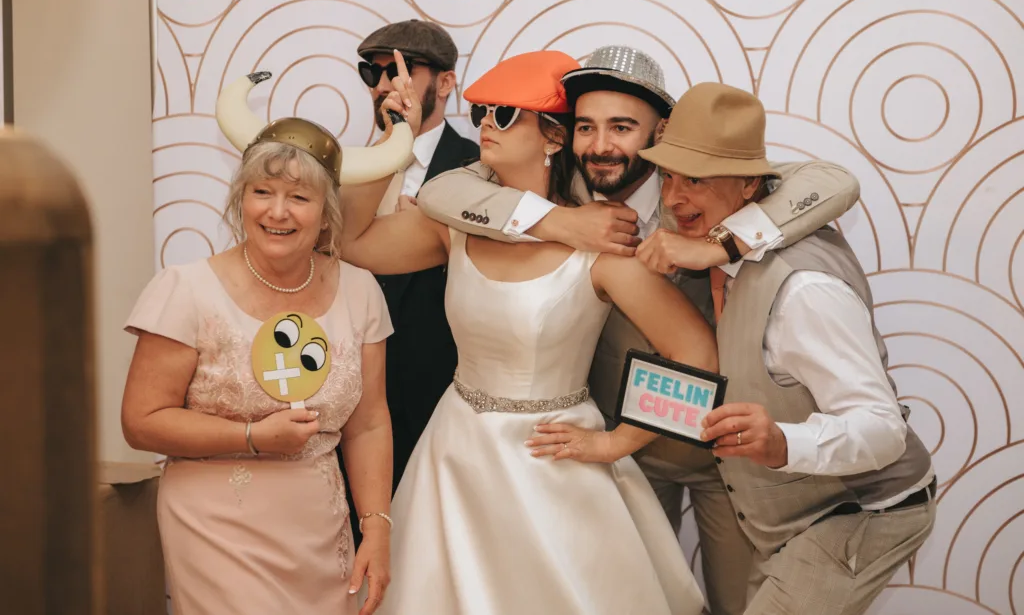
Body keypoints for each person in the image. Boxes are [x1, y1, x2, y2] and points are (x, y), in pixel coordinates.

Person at [416, 45, 860, 614]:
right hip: (627, 450)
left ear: (662, 130)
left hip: (721, 456)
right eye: (585, 127)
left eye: (623, 127)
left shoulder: (706, 192)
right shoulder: (566, 196)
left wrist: (715, 244)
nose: (601, 146)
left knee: (738, 604)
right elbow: (440, 193)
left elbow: (832, 181)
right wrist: (564, 221)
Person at [340, 49, 709, 614]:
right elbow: (351, 242)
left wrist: (617, 441)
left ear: (554, 138)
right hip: (455, 458)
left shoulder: (602, 246)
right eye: (483, 110)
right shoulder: (454, 229)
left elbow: (697, 353)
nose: (486, 122)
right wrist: (397, 139)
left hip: (553, 466)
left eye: (507, 115)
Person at [639, 82, 936, 615]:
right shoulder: (711, 239)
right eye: (668, 176)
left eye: (697, 179)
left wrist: (781, 442)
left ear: (751, 183)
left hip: (861, 511)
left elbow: (884, 429)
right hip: (792, 517)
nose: (673, 198)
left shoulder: (803, 291)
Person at [120, 98, 412, 614]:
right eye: (262, 192)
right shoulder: (186, 289)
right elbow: (141, 422)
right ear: (241, 199)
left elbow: (369, 424)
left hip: (320, 528)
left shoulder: (361, 290)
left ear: (326, 215)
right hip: (215, 525)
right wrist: (253, 437)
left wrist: (377, 528)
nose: (277, 212)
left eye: (299, 197)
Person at [347, 20, 479, 512]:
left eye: (399, 70)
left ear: (445, 83)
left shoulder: (482, 167)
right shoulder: (350, 167)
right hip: (358, 395)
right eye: (372, 72)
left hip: (443, 393)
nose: (383, 84)